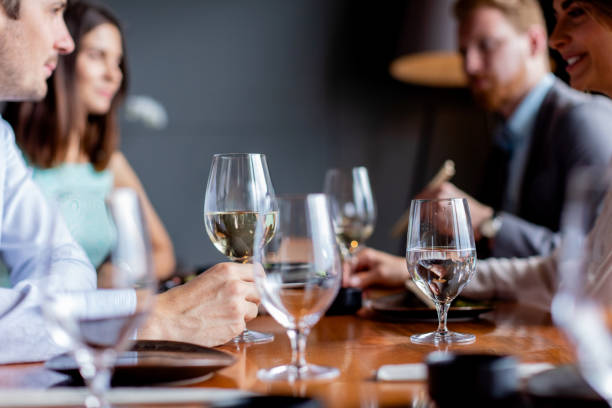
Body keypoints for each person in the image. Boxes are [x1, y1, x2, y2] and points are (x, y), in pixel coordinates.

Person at [0, 0, 259, 364]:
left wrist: (77, 310)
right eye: (52, 10)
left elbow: (61, 256)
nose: (65, 43)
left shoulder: (2, 142)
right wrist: (149, 317)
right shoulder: (21, 152)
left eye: (117, 61)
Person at [346, 0, 612, 290]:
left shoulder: (583, 119)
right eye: (463, 52)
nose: (469, 65)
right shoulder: (505, 137)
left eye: (486, 45)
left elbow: (585, 266)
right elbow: (556, 271)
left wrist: (486, 223)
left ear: (533, 42)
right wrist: (421, 272)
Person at [3, 2, 175, 282]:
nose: (114, 75)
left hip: (82, 316)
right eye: (97, 56)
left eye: (117, 61)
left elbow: (161, 251)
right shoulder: (11, 154)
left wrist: (116, 275)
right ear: (62, 62)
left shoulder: (106, 162)